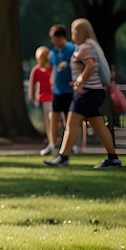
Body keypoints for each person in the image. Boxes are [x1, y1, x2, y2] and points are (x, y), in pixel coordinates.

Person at [44, 18, 122, 168]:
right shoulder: (90, 45)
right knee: (98, 126)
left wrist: (81, 79)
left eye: (73, 30)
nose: (72, 34)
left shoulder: (85, 47)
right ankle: (113, 158)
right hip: (93, 92)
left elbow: (91, 65)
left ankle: (63, 157)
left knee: (71, 124)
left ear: (80, 31)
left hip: (86, 93)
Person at [45, 24, 76, 156]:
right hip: (57, 90)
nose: (53, 41)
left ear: (61, 37)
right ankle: (52, 144)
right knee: (54, 117)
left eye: (54, 38)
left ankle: (69, 145)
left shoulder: (72, 49)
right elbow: (53, 69)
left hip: (69, 90)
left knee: (68, 119)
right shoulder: (53, 52)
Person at [27, 46, 54, 155]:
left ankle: (56, 142)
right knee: (47, 121)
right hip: (43, 98)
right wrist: (32, 97)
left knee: (53, 119)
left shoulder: (52, 69)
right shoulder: (36, 70)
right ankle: (51, 142)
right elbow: (32, 84)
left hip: (53, 97)